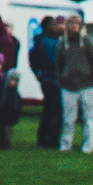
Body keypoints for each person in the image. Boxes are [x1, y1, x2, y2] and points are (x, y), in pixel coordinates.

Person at [57, 16, 93, 153]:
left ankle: (88, 147)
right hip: (68, 87)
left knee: (89, 118)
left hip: (88, 85)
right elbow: (58, 64)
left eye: (77, 24)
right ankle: (66, 145)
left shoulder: (87, 42)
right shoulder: (62, 44)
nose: (74, 26)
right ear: (67, 25)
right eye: (71, 23)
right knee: (68, 119)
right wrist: (62, 79)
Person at [30, 16, 64, 148]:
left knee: (49, 108)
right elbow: (52, 60)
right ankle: (52, 138)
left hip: (48, 77)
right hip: (52, 77)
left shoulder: (42, 40)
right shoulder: (47, 41)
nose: (56, 27)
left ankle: (44, 137)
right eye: (54, 25)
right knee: (55, 109)